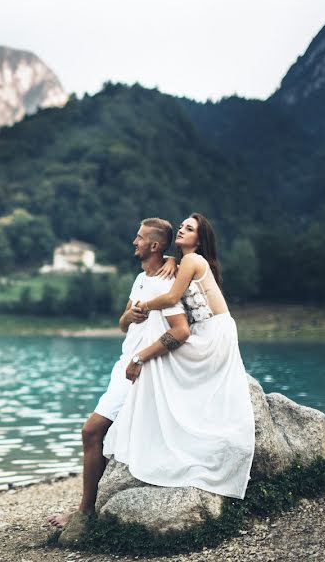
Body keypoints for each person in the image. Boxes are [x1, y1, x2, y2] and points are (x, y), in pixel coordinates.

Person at [47, 217, 191, 529]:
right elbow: (124, 324)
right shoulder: (141, 279)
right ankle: (93, 507)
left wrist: (140, 359)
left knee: (91, 432)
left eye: (139, 238)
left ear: (154, 245)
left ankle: (85, 513)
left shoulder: (166, 283)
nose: (133, 242)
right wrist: (128, 315)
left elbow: (181, 331)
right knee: (105, 435)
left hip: (140, 370)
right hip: (123, 364)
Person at [105, 212, 255, 499]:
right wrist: (173, 260)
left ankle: (166, 428)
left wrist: (144, 306)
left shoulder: (192, 260)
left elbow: (172, 299)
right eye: (182, 227)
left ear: (200, 240)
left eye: (190, 229)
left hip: (213, 332)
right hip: (206, 329)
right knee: (163, 356)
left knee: (161, 356)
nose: (183, 231)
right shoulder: (183, 261)